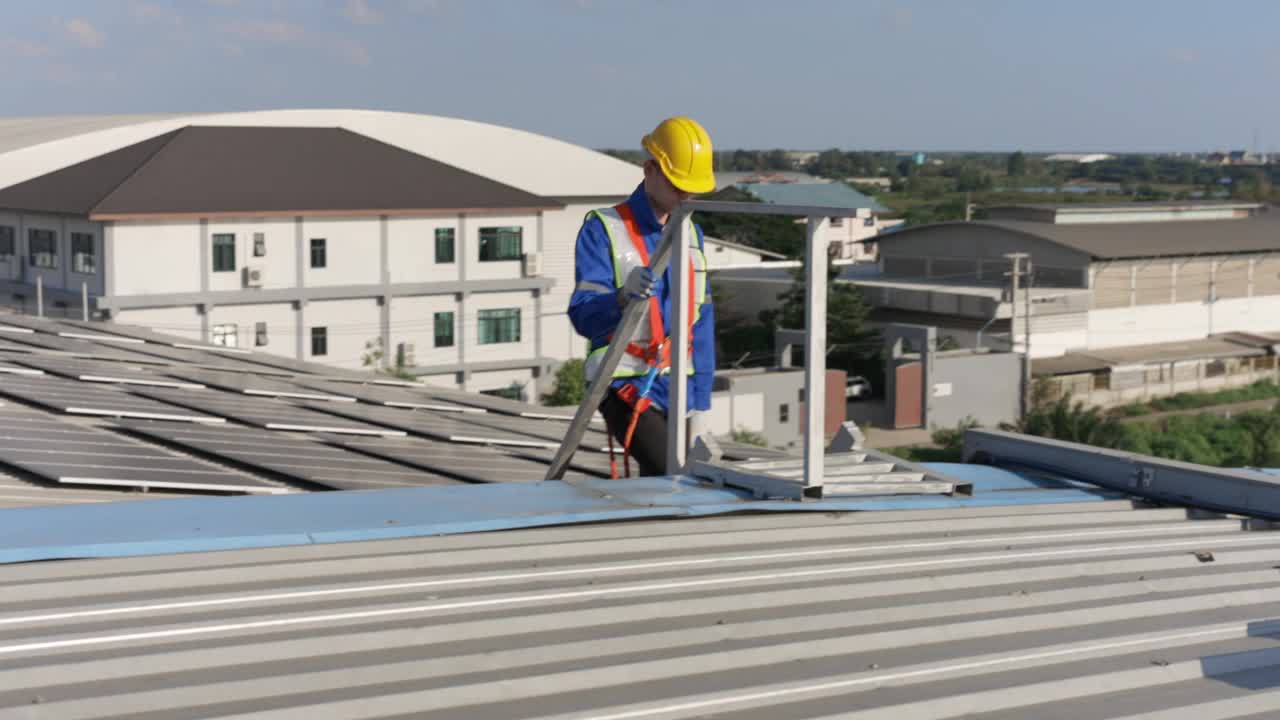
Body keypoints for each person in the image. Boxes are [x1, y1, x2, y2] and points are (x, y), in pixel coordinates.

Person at [568, 116, 716, 477]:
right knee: (672, 472)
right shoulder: (604, 228)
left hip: (678, 382)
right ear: (649, 169)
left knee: (673, 484)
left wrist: (701, 397)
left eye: (691, 189)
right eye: (678, 185)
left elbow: (703, 318)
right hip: (622, 380)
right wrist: (620, 298)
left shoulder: (691, 232)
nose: (685, 197)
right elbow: (583, 316)